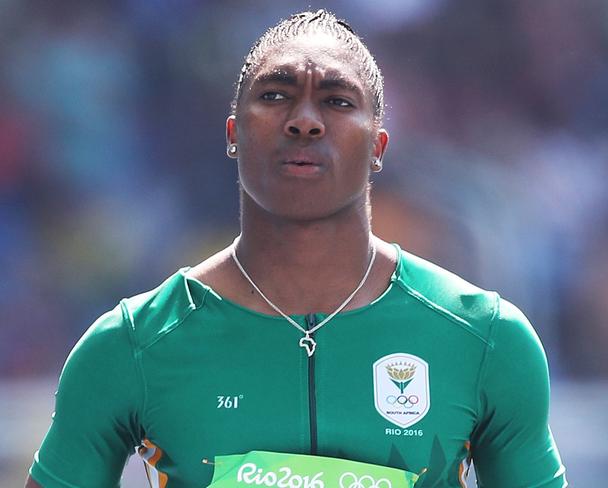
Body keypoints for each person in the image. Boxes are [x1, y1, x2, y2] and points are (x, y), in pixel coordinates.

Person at [26, 9, 567, 488]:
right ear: (234, 133)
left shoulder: (488, 340)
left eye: (336, 100)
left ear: (378, 145)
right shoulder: (131, 344)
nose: (304, 120)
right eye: (276, 95)